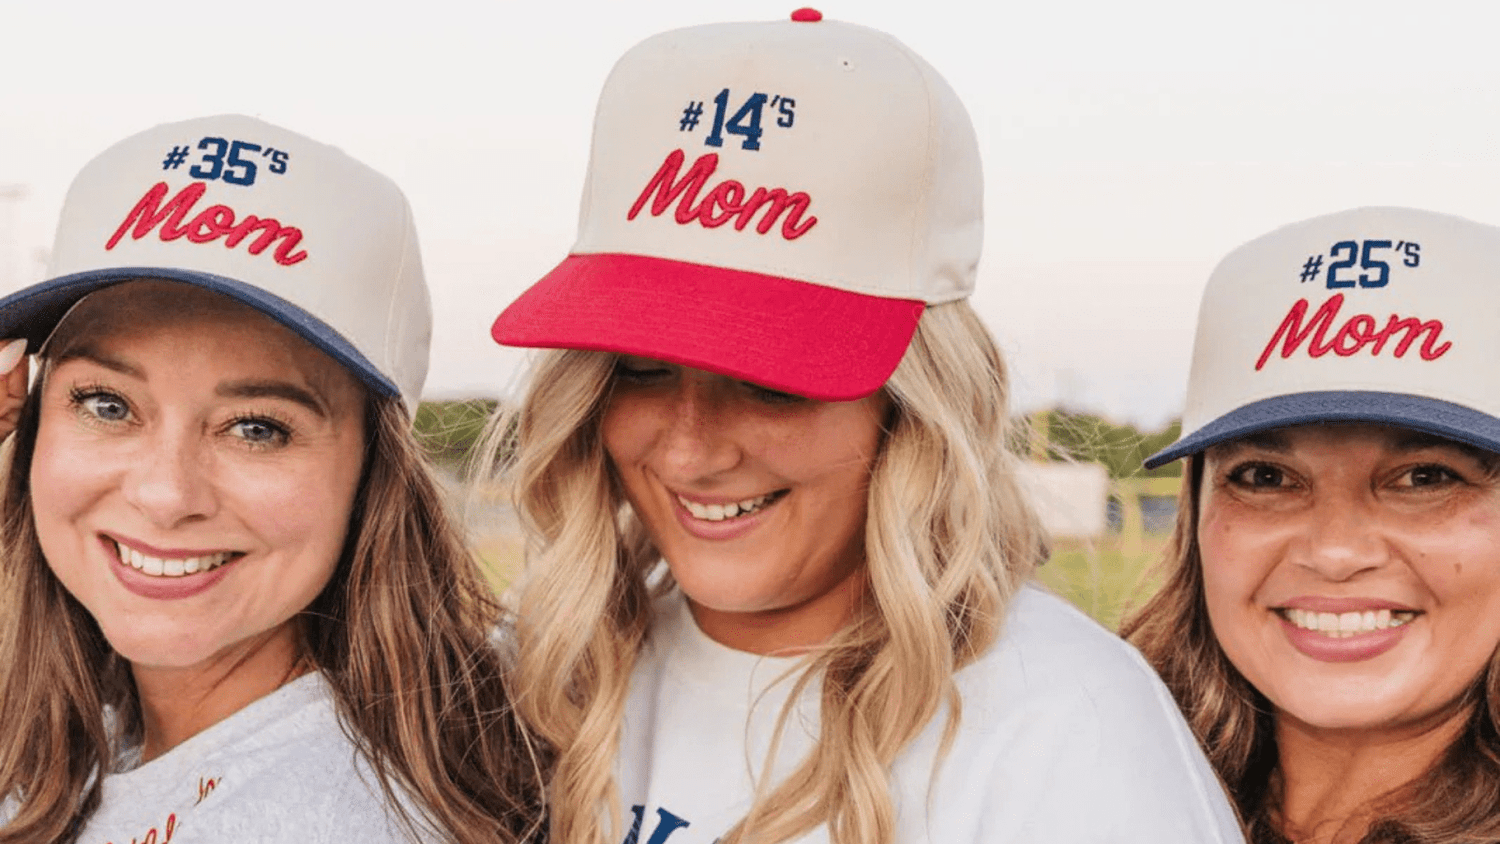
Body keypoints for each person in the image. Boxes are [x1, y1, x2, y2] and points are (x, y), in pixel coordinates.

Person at [485, 11, 1243, 844]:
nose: (690, 447)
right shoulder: (541, 669)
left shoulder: (1069, 730)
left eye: (769, 381)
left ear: (915, 402)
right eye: (639, 368)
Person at [0, 115, 543, 843]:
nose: (165, 495)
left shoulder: (340, 818)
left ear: (373, 476)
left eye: (257, 427)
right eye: (107, 405)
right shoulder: (90, 729)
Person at [1123, 205, 1500, 843]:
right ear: (1198, 513)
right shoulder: (1077, 768)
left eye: (1426, 477)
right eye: (1266, 477)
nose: (1335, 551)